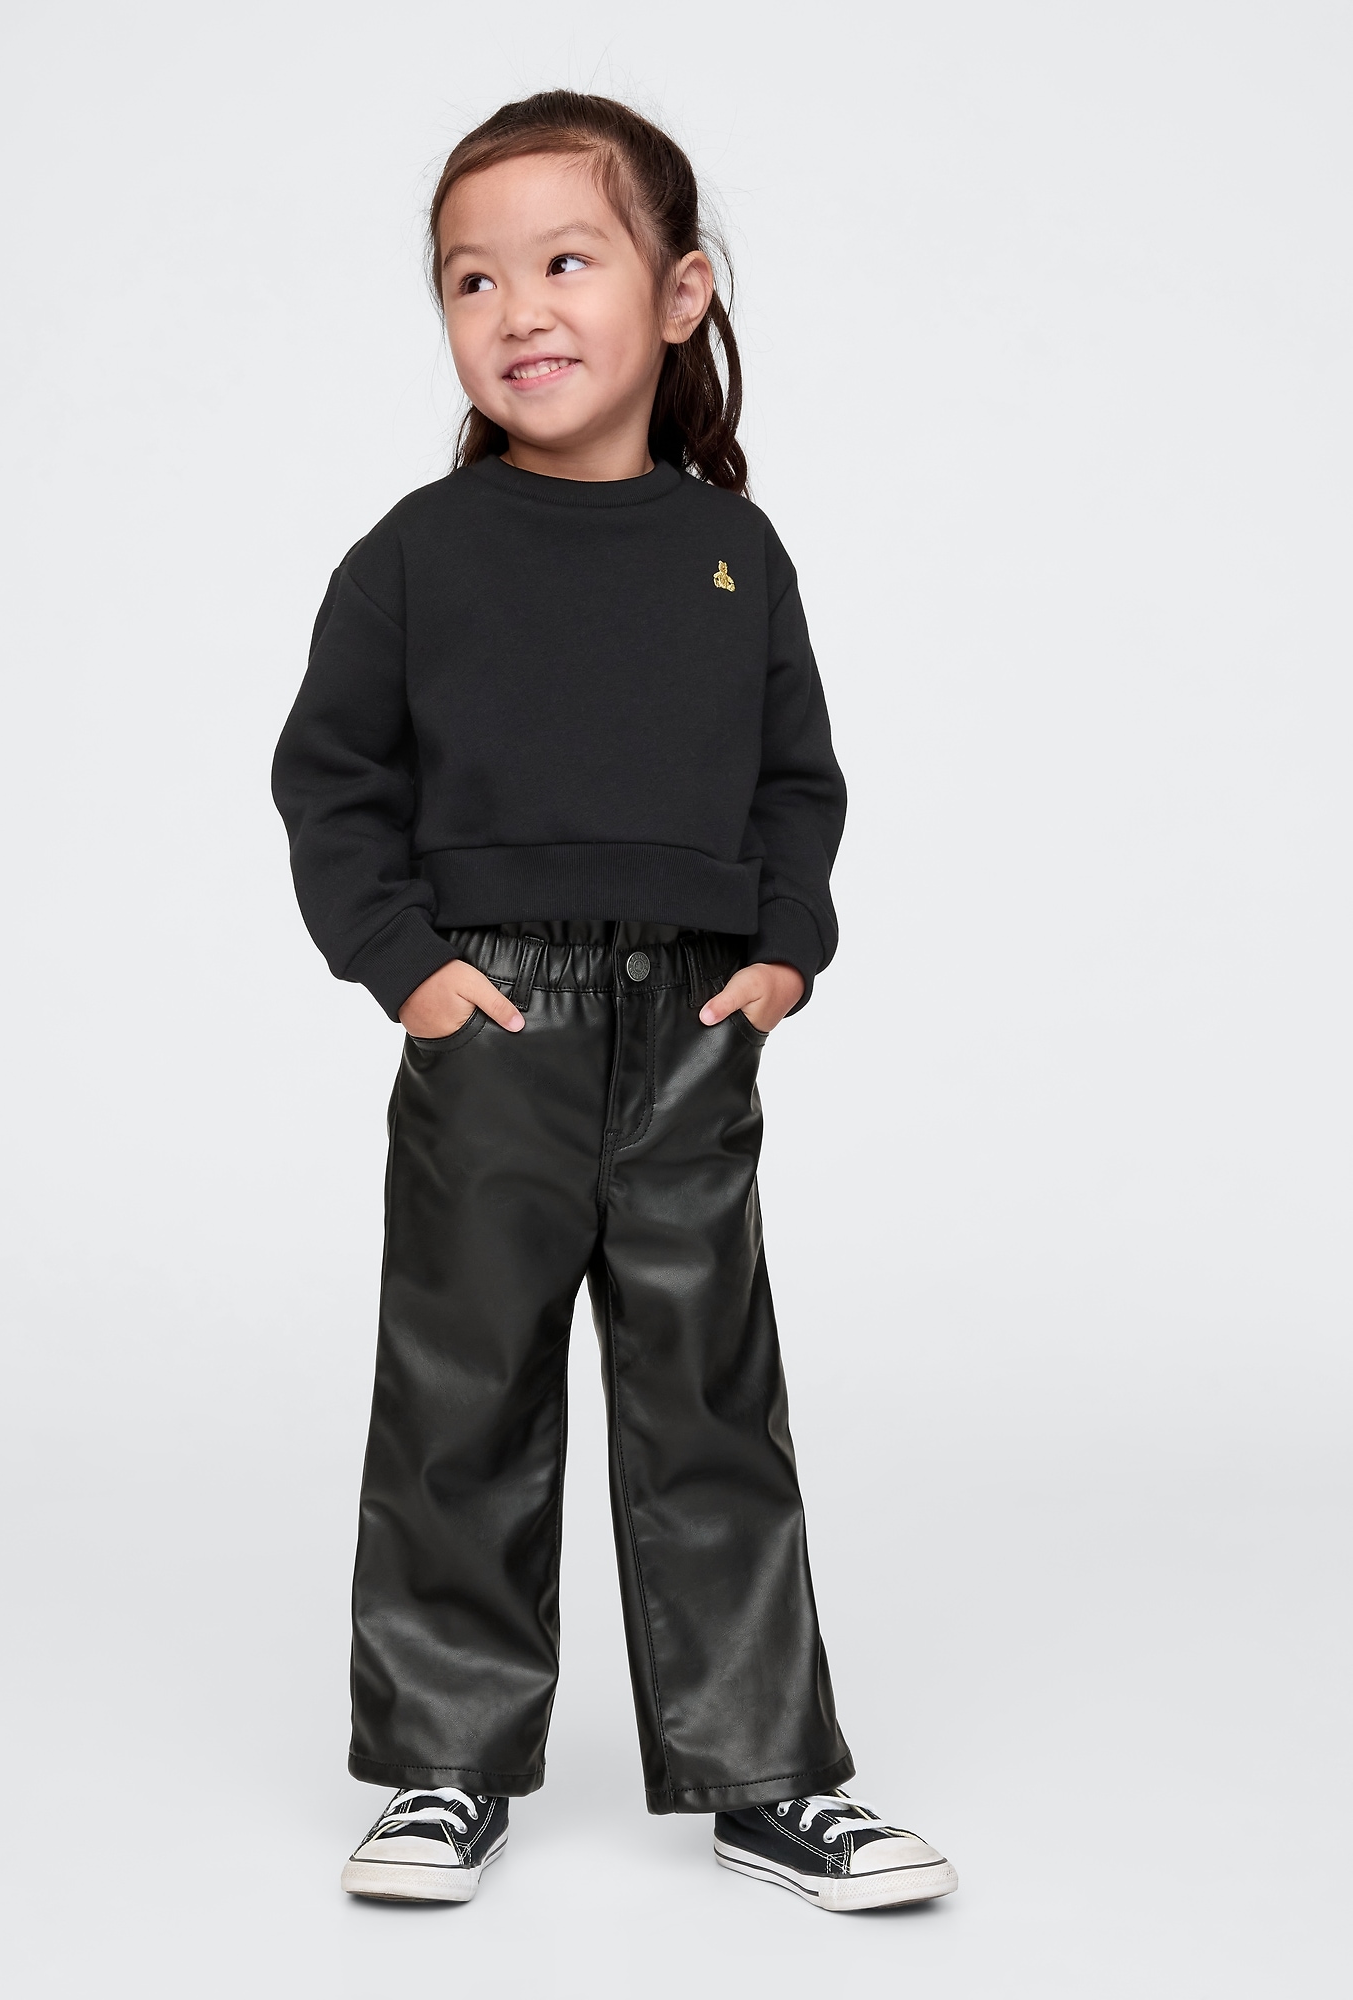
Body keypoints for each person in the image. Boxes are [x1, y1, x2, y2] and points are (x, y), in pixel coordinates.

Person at [271, 90, 956, 1915]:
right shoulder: (414, 555)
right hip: (494, 1024)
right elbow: (330, 783)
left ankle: (767, 1775)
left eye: (566, 261)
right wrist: (412, 973)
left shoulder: (737, 554)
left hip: (691, 1031)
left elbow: (796, 783)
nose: (518, 310)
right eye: (470, 279)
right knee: (462, 1393)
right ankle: (442, 1766)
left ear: (680, 291)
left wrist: (783, 954)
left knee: (709, 1396)